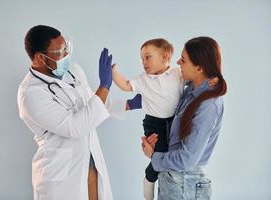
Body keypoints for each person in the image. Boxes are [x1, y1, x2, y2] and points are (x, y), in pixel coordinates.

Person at [17, 25, 117, 200]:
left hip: (90, 164)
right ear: (40, 58)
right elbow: (76, 127)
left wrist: (129, 104)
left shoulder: (74, 70)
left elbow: (91, 109)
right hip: (61, 175)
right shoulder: (30, 94)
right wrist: (104, 86)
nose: (66, 55)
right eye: (59, 51)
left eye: (66, 48)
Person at [141, 36, 227, 200]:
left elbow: (187, 159)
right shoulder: (190, 92)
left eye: (183, 60)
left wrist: (154, 156)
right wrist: (156, 143)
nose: (178, 63)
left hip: (185, 186)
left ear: (199, 68)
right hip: (174, 181)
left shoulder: (208, 105)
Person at [112, 38, 184, 200]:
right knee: (161, 152)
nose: (144, 62)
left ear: (165, 57)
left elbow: (194, 81)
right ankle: (149, 178)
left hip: (173, 121)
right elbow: (126, 85)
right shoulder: (143, 79)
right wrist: (113, 73)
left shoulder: (177, 73)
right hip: (154, 123)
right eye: (142, 59)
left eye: (148, 57)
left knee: (172, 154)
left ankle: (157, 179)